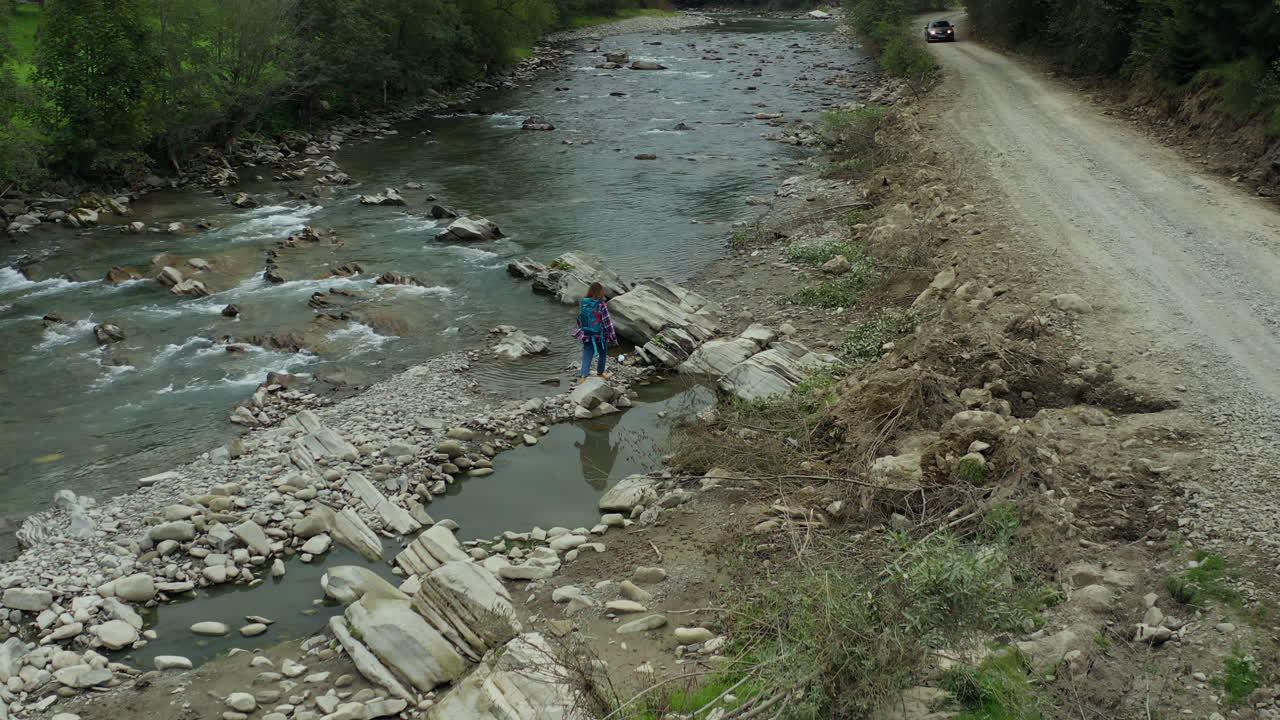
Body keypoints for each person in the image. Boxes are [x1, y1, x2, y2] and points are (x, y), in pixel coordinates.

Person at [574, 282, 617, 381]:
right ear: (601, 292)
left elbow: (580, 318)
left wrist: (582, 329)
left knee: (587, 353)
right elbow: (607, 322)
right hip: (600, 335)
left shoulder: (584, 302)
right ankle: (600, 373)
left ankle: (584, 376)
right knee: (602, 353)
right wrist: (613, 337)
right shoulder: (601, 304)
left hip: (587, 333)